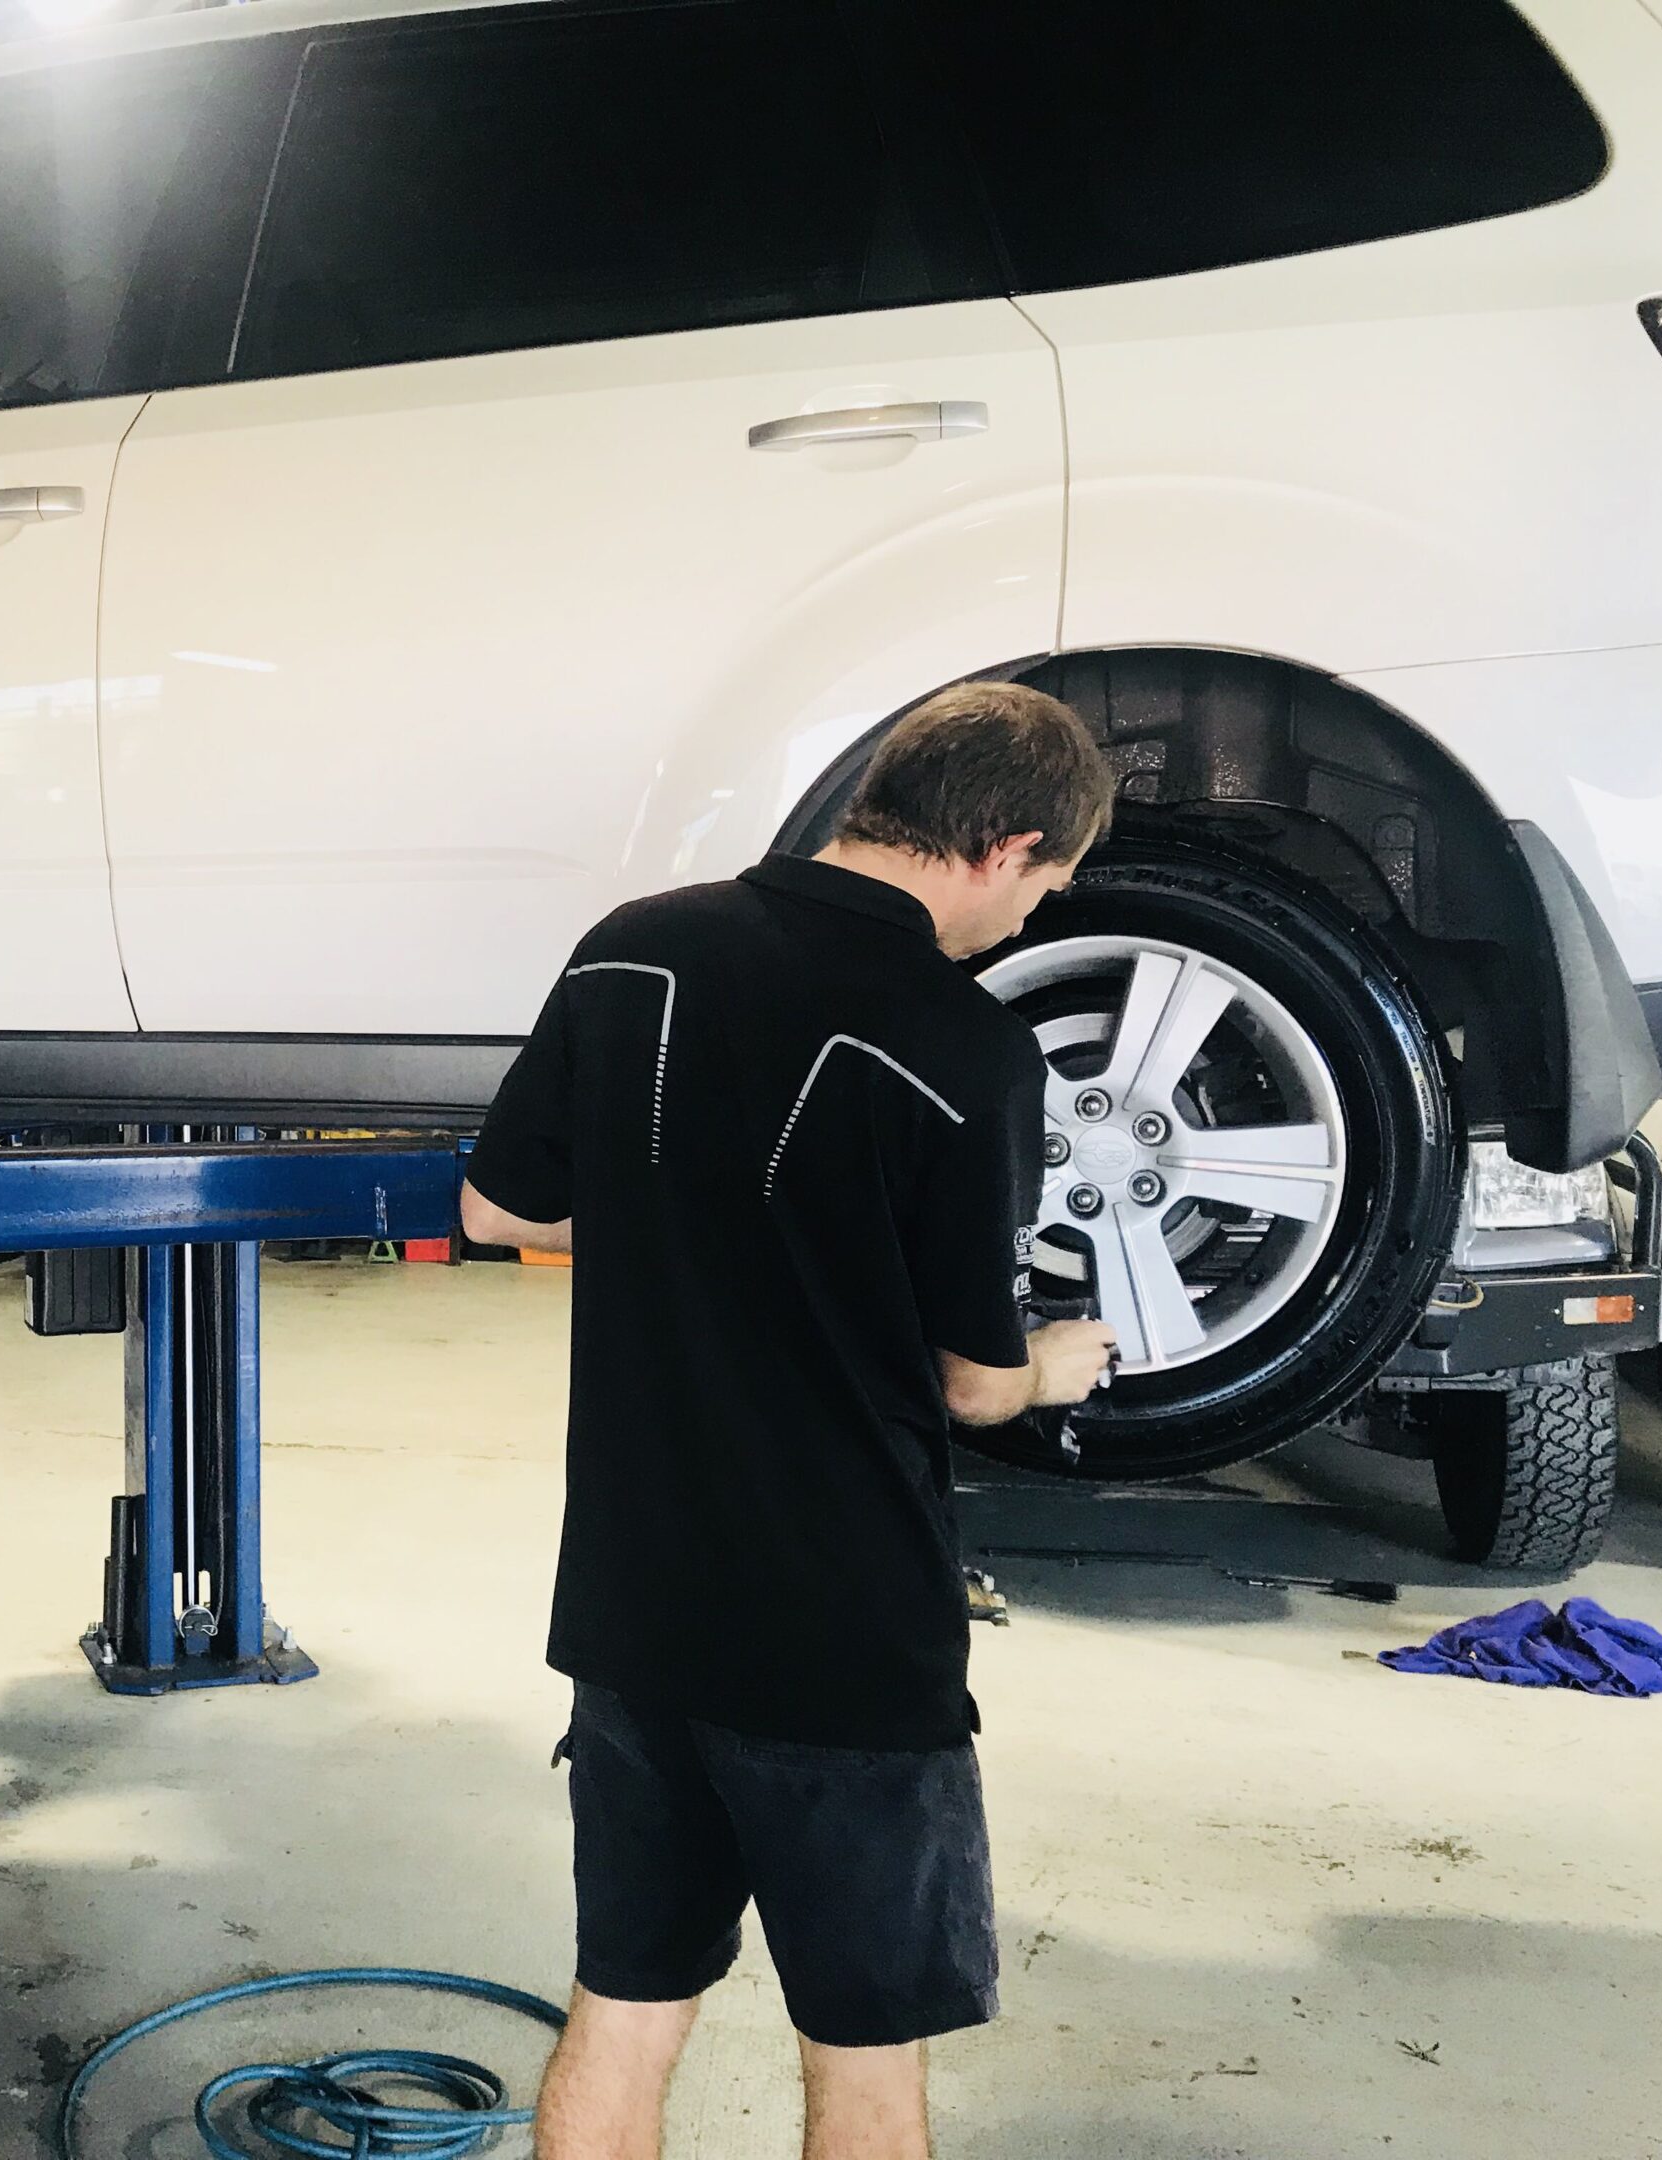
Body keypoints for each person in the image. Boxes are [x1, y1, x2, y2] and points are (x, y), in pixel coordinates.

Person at [461, 681, 1123, 2160]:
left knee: (621, 2013)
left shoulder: (635, 948)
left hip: (635, 1610)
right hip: (840, 1644)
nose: (1029, 921)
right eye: (1046, 886)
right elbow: (968, 1379)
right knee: (864, 2065)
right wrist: (1058, 1365)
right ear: (1005, 845)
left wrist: (670, 1234)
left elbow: (500, 1208)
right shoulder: (965, 1051)